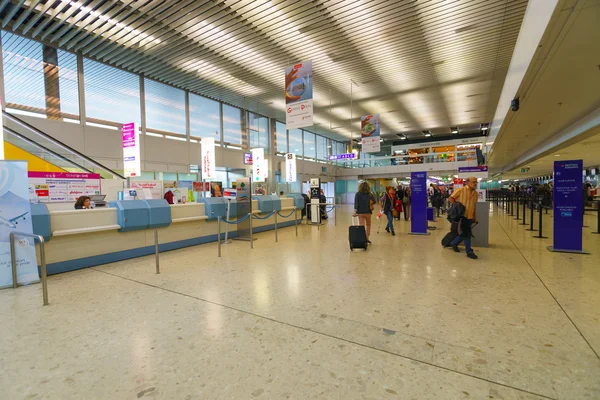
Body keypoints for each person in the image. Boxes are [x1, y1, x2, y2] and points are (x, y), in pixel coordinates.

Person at [448, 176, 478, 259]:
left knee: (464, 233)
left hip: (470, 216)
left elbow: (474, 205)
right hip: (462, 216)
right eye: (473, 182)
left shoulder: (475, 193)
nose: (475, 183)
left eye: (476, 182)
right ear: (467, 182)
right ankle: (469, 251)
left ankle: (454, 243)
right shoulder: (461, 190)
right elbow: (450, 198)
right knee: (467, 234)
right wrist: (457, 206)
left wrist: (474, 216)